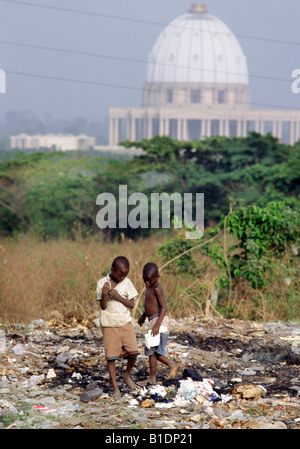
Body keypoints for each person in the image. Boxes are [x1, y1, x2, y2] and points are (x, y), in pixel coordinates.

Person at [96, 256, 139, 397]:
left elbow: (132, 305)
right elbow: (103, 307)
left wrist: (118, 296)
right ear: (112, 270)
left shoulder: (127, 283)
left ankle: (126, 376)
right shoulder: (102, 283)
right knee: (111, 357)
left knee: (133, 352)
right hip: (109, 324)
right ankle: (115, 388)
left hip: (125, 322)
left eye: (125, 275)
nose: (122, 277)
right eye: (120, 274)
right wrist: (104, 294)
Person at [138, 262, 178, 386]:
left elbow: (163, 307)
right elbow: (150, 305)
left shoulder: (157, 288)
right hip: (153, 321)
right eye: (145, 280)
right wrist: (144, 315)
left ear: (157, 277)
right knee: (151, 351)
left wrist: (157, 325)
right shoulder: (149, 287)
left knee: (155, 352)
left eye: (149, 280)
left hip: (159, 322)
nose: (147, 283)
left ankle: (172, 365)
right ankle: (152, 378)